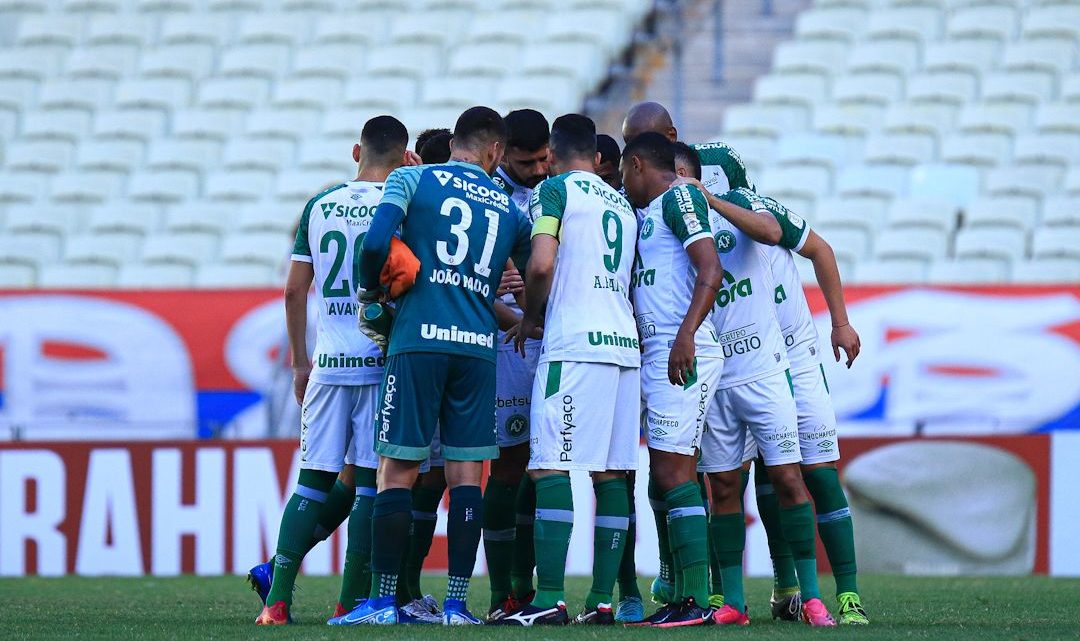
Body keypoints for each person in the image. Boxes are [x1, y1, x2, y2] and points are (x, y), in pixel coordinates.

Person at [332, 106, 533, 626]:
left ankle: (380, 603)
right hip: (475, 348)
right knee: (468, 475)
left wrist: (373, 293)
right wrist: (524, 312)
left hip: (417, 341)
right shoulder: (510, 210)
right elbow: (534, 264)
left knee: (396, 473)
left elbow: (376, 242)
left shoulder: (411, 178)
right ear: (494, 152)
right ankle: (457, 604)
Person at [672, 153, 867, 625]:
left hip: (792, 358)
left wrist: (840, 322)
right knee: (730, 480)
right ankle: (758, 590)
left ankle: (845, 594)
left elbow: (816, 247)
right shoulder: (672, 221)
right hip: (729, 362)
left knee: (812, 473)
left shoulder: (755, 209)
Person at [254, 115, 412, 625]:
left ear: (355, 152)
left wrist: (301, 362)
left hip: (328, 363)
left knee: (312, 481)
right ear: (403, 156)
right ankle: (349, 604)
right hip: (377, 363)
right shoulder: (400, 206)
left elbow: (294, 289)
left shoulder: (319, 205)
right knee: (369, 484)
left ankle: (277, 602)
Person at [494, 114, 639, 626]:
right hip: (625, 346)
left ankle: (549, 598)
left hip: (574, 343)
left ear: (552, 156)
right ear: (597, 158)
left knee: (548, 466)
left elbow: (539, 264)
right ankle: (602, 601)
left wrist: (531, 318)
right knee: (611, 472)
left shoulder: (552, 192)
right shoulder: (621, 202)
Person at [619, 132, 724, 628]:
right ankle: (684, 596)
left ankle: (697, 602)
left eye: (623, 171)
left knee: (674, 474)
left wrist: (685, 336)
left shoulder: (679, 195)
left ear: (637, 165)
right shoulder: (646, 215)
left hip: (684, 350)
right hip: (660, 350)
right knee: (667, 473)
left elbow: (711, 268)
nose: (622, 181)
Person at [484, 109, 551, 620]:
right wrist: (522, 318)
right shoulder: (488, 198)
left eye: (544, 158)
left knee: (541, 461)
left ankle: (526, 585)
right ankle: (502, 589)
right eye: (527, 161)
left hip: (545, 339)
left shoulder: (554, 191)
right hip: (507, 346)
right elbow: (468, 282)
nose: (537, 168)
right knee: (509, 463)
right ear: (502, 152)